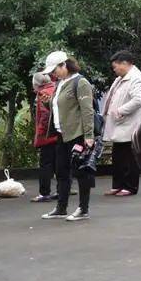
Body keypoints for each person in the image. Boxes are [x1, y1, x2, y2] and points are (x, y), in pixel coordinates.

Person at [40, 52, 96, 222]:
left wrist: (89, 135)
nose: (53, 73)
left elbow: (87, 110)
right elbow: (58, 105)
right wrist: (46, 101)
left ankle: (83, 208)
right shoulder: (60, 83)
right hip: (61, 134)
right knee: (62, 171)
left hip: (77, 134)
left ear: (64, 65)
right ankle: (61, 207)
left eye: (55, 69)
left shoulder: (81, 82)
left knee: (81, 171)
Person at [101, 50, 141, 197]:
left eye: (116, 66)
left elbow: (139, 100)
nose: (114, 69)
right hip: (120, 124)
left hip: (129, 124)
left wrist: (121, 110)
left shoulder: (136, 78)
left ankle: (130, 186)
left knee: (130, 157)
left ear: (125, 63)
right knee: (118, 157)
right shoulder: (122, 77)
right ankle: (118, 185)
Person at [31, 71, 59, 202]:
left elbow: (45, 116)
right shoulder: (56, 87)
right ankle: (61, 190)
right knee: (59, 163)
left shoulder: (42, 94)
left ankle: (44, 193)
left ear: (37, 84)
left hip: (48, 135)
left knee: (45, 164)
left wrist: (41, 135)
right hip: (60, 133)